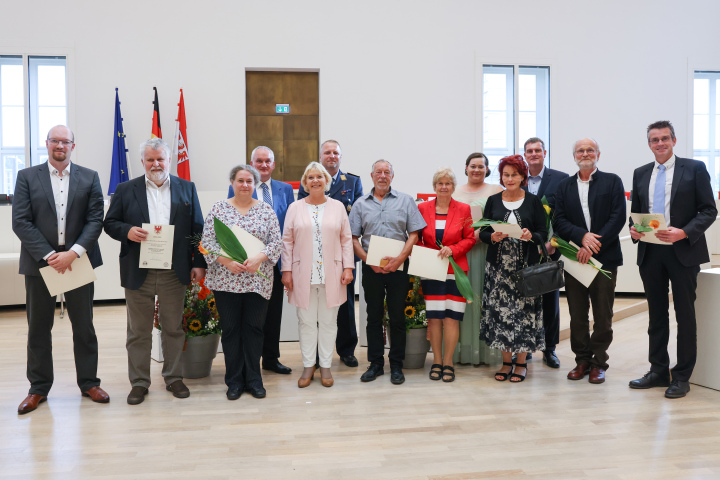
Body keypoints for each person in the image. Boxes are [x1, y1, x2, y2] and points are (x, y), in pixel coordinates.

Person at [12, 125, 109, 414]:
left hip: (78, 259)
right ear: (47, 143)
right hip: (40, 263)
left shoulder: (90, 177)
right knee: (39, 328)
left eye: (65, 141)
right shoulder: (27, 177)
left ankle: (89, 383)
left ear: (72, 146)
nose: (60, 145)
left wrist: (73, 253)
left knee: (84, 326)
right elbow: (21, 221)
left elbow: (95, 220)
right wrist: (51, 255)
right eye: (55, 140)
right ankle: (38, 388)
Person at [104, 138, 207, 405]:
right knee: (138, 331)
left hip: (175, 271)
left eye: (160, 159)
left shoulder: (187, 188)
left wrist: (198, 262)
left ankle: (173, 378)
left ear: (169, 160)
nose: (156, 164)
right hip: (138, 271)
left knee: (173, 328)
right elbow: (110, 223)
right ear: (143, 162)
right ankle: (139, 383)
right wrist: (127, 231)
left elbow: (198, 228)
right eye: (150, 159)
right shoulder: (126, 189)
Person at [628, 120, 717, 399]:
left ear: (674, 141)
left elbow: (708, 210)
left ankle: (681, 376)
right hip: (651, 252)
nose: (660, 144)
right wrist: (634, 230)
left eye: (665, 138)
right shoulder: (641, 173)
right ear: (649, 144)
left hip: (683, 251)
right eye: (654, 140)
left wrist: (684, 232)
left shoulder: (694, 169)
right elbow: (637, 212)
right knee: (656, 314)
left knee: (685, 315)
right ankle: (658, 370)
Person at [205, 164, 282, 399]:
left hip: (257, 282)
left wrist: (260, 258)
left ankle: (254, 379)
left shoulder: (266, 211)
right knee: (230, 331)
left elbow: (276, 243)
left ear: (255, 184)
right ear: (232, 183)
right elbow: (207, 242)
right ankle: (234, 381)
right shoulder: (219, 209)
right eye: (240, 181)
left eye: (249, 181)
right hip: (226, 281)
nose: (245, 185)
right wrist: (226, 261)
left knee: (254, 329)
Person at [553, 138, 626, 384]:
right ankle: (582, 360)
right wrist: (581, 238)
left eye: (590, 150)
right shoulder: (564, 186)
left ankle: (599, 362)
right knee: (577, 313)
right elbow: (559, 220)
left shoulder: (612, 181)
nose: (585, 153)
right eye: (580, 150)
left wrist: (593, 245)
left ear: (598, 154)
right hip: (576, 259)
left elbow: (617, 218)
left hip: (604, 259)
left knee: (603, 314)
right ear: (574, 155)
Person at [349, 159, 426, 385]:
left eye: (387, 172)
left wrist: (401, 258)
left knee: (397, 316)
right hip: (371, 268)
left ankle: (396, 365)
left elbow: (414, 234)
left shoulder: (406, 201)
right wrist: (367, 260)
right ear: (371, 175)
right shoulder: (360, 204)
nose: (382, 175)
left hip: (399, 268)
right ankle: (375, 364)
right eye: (378, 172)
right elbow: (353, 238)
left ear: (393, 175)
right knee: (373, 316)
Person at [281, 162, 355, 388]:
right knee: (305, 322)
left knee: (329, 322)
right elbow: (287, 241)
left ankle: (325, 366)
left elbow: (346, 239)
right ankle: (307, 365)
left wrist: (348, 267)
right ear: (305, 183)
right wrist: (286, 270)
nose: (315, 180)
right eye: (310, 177)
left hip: (331, 274)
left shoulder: (338, 207)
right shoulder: (295, 207)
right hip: (303, 273)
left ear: (326, 181)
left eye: (319, 177)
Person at [479, 155, 547, 383]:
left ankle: (520, 364)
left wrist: (531, 236)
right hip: (498, 270)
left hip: (525, 269)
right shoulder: (493, 201)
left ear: (522, 177)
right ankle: (506, 362)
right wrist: (493, 236)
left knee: (524, 315)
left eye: (514, 175)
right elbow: (483, 232)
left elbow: (542, 234)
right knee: (501, 315)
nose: (509, 179)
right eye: (506, 175)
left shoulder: (533, 201)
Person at [228, 146, 294, 375]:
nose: (263, 165)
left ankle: (271, 359)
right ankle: (249, 361)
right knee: (250, 316)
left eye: (268, 161)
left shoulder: (285, 189)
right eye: (259, 161)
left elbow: (288, 226)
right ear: (251, 163)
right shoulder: (241, 186)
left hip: (274, 260)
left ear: (273, 165)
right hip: (246, 262)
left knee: (273, 312)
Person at [297, 140, 363, 367]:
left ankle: (346, 349)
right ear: (321, 156)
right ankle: (315, 356)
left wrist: (348, 262)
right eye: (327, 152)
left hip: (341, 256)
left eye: (336, 152)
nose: (331, 156)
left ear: (340, 157)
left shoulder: (352, 181)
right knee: (314, 310)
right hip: (312, 254)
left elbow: (355, 219)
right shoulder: (308, 179)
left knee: (343, 307)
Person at [417, 168, 476, 382]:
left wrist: (453, 249)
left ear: (453, 187)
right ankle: (437, 361)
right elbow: (416, 237)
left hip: (455, 270)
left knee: (452, 318)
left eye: (448, 183)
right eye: (440, 183)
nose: (444, 187)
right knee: (434, 318)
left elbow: (470, 238)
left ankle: (448, 362)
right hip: (431, 270)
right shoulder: (422, 208)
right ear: (434, 187)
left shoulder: (463, 209)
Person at [452, 153, 503, 366]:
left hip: (485, 250)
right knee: (459, 299)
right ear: (465, 168)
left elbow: (503, 217)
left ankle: (485, 351)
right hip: (461, 252)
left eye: (481, 166)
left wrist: (484, 235)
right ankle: (462, 350)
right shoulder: (454, 191)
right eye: (473, 166)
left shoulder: (496, 190)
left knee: (484, 297)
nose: (476, 170)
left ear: (487, 169)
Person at [522, 137, 569, 369]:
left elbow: (565, 215)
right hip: (523, 251)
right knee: (525, 300)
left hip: (550, 249)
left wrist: (553, 242)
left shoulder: (560, 179)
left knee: (550, 301)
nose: (533, 154)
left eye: (537, 150)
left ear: (544, 152)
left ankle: (549, 349)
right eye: (529, 151)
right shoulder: (517, 179)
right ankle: (527, 345)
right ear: (524, 155)